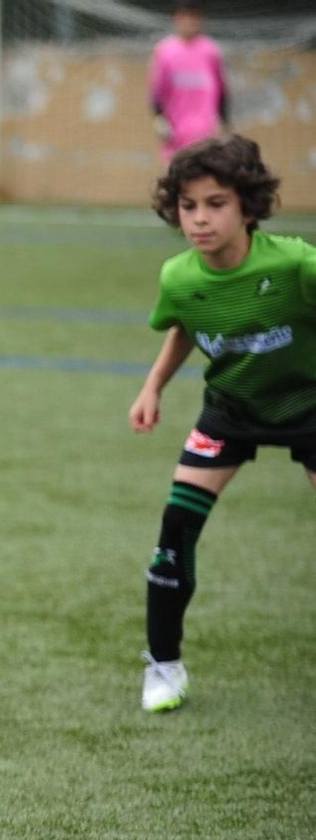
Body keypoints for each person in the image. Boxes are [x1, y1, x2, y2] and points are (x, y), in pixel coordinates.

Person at [129, 135, 315, 713]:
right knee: (173, 536)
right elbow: (185, 323)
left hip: (309, 408)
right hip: (230, 410)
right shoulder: (178, 277)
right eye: (189, 206)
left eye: (216, 204)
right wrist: (153, 385)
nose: (200, 219)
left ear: (248, 208)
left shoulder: (296, 265)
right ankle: (164, 667)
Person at [149, 2, 228, 161]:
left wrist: (223, 122)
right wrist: (160, 120)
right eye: (184, 16)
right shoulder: (164, 51)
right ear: (176, 18)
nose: (189, 21)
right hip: (177, 135)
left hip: (207, 134)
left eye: (194, 17)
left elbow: (222, 91)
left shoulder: (211, 50)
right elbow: (156, 93)